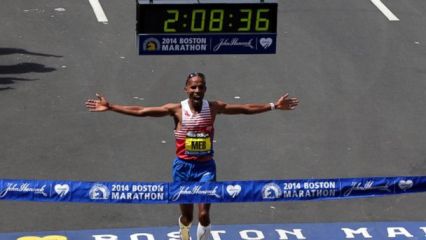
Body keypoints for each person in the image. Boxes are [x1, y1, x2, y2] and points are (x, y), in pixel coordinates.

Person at [85, 72, 299, 240]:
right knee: (187, 217)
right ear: (186, 89)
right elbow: (142, 111)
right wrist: (111, 106)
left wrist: (273, 106)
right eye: (193, 86)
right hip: (183, 168)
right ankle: (184, 233)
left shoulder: (214, 107)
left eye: (201, 86)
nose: (197, 90)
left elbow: (244, 108)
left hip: (206, 168)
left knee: (204, 214)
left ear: (205, 89)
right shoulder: (177, 110)